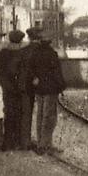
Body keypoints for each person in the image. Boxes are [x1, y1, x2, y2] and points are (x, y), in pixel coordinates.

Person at [21, 26, 66, 154]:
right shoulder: (52, 54)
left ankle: (41, 142)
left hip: (39, 89)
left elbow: (30, 70)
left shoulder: (35, 54)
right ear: (49, 43)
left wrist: (35, 79)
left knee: (40, 115)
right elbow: (57, 73)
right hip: (50, 89)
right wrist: (61, 86)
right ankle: (45, 145)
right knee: (49, 116)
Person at [0, 29, 26, 151]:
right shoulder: (20, 53)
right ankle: (16, 142)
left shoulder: (3, 53)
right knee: (17, 115)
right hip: (17, 88)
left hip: (6, 88)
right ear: (19, 41)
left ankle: (7, 142)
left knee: (8, 114)